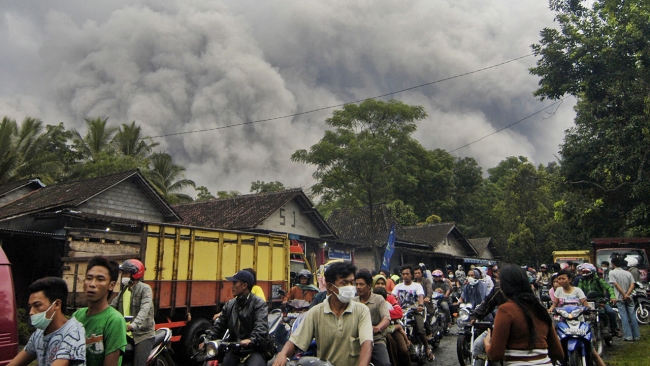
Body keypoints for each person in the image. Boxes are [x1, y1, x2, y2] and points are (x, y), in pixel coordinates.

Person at [273, 262, 373, 366]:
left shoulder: (362, 311)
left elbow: (366, 342)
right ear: (330, 286)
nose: (350, 287)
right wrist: (283, 354)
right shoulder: (316, 312)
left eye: (351, 283)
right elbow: (296, 340)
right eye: (344, 283)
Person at [484, 264, 564, 365]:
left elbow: (495, 355)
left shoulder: (506, 310)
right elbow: (558, 353)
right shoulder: (540, 309)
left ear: (504, 286)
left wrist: (487, 343)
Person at [8, 277, 86, 366]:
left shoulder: (73, 331)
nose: (31, 312)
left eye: (37, 305)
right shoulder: (39, 333)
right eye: (31, 306)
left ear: (56, 304)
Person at [73, 256, 127, 366]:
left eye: (100, 279)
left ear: (111, 285)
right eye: (89, 278)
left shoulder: (114, 320)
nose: (92, 284)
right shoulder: (77, 316)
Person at [211, 270, 269, 366]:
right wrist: (208, 338)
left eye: (235, 283)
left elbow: (261, 326)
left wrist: (251, 340)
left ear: (244, 286)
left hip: (255, 349)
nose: (231, 286)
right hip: (236, 349)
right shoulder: (230, 305)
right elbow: (219, 325)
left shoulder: (259, 304)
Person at [111, 259, 155, 366]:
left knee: (138, 363)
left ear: (135, 274)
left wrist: (134, 325)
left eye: (126, 273)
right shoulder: (124, 291)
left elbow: (144, 309)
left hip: (143, 335)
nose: (123, 276)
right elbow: (111, 308)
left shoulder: (145, 289)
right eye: (123, 273)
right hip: (124, 334)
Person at [392, 265, 433, 361]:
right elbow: (392, 296)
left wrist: (420, 306)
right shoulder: (398, 286)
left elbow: (420, 297)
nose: (405, 276)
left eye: (407, 274)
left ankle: (427, 348)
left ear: (411, 275)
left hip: (414, 311)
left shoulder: (417, 286)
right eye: (403, 274)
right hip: (401, 312)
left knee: (420, 328)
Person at [354, 270, 390, 366]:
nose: (358, 287)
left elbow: (386, 318)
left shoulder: (379, 299)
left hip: (376, 340)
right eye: (356, 284)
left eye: (361, 284)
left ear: (369, 285)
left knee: (385, 364)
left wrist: (378, 327)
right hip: (356, 340)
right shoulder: (353, 301)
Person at [575, 263, 621, 337]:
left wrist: (612, 297)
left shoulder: (598, 280)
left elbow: (609, 288)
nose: (585, 274)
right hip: (587, 302)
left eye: (587, 272)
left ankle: (614, 328)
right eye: (583, 272)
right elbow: (578, 290)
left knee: (611, 312)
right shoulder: (581, 281)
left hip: (600, 301)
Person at [609, 257, 641, 341]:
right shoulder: (628, 273)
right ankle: (637, 335)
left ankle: (628, 336)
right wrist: (627, 294)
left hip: (620, 298)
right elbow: (632, 285)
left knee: (624, 317)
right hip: (629, 297)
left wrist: (623, 294)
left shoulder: (612, 273)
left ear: (613, 264)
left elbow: (616, 285)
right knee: (633, 316)